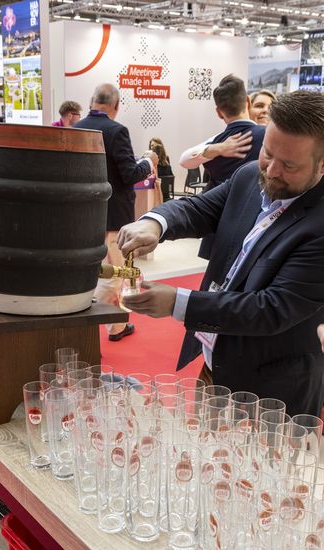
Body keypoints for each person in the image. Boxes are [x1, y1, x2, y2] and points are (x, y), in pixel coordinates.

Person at [117, 90, 324, 418]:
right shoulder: (247, 176)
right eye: (268, 154)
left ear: (321, 164)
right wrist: (155, 223)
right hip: (216, 363)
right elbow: (199, 209)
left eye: (289, 166)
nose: (270, 172)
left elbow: (270, 308)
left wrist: (177, 303)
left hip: (275, 391)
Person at [74, 83, 158, 341]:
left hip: (83, 215)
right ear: (117, 106)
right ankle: (114, 326)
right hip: (113, 214)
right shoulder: (116, 130)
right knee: (114, 271)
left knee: (89, 269)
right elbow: (129, 174)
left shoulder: (75, 129)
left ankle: (84, 321)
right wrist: (147, 162)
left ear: (91, 101)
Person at [179, 74, 266, 260]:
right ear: (248, 102)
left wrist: (216, 149)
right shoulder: (266, 136)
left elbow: (184, 160)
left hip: (220, 219)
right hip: (255, 218)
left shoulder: (216, 142)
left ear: (219, 112)